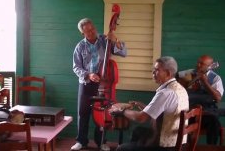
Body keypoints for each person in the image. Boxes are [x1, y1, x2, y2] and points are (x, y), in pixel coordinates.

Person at [109, 56, 189, 151]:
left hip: (166, 146)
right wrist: (143, 106)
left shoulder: (166, 93)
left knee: (121, 149)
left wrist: (121, 111)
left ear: (167, 73)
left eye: (157, 70)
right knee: (137, 131)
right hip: (176, 140)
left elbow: (141, 118)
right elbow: (164, 112)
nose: (153, 73)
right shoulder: (179, 88)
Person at [71, 18, 127, 151]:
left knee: (102, 114)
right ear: (82, 33)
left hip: (104, 84)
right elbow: (76, 67)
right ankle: (81, 141)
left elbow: (123, 53)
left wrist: (116, 39)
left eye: (93, 29)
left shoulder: (104, 40)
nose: (92, 32)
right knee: (83, 113)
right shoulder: (80, 46)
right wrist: (88, 74)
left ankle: (101, 141)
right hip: (86, 83)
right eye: (88, 31)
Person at [177, 55, 224, 144]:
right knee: (179, 122)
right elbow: (176, 84)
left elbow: (218, 98)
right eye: (198, 62)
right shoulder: (190, 73)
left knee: (214, 123)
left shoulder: (216, 78)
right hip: (189, 112)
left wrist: (205, 82)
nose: (198, 65)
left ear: (209, 66)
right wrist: (188, 85)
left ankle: (211, 148)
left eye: (201, 64)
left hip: (206, 114)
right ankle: (185, 147)